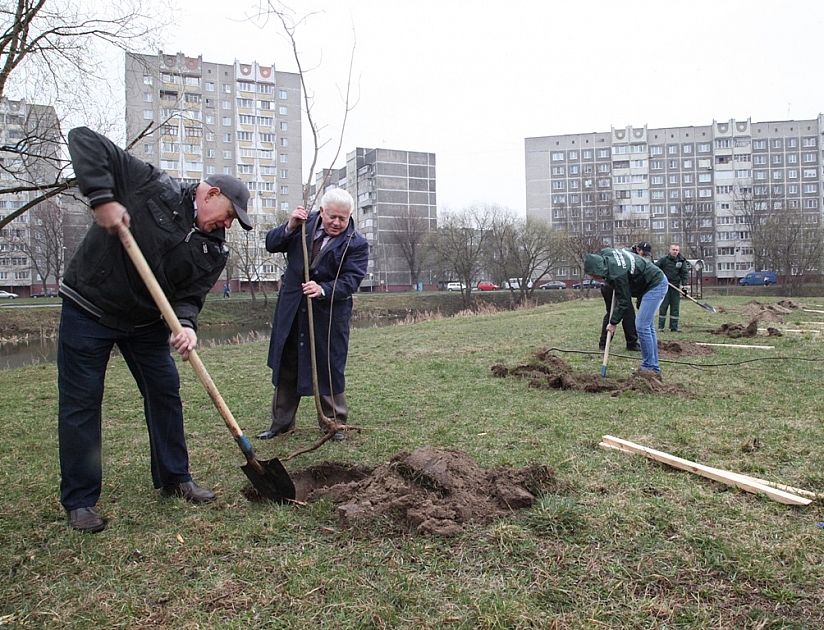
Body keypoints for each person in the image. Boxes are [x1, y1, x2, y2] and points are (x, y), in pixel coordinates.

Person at [58, 126, 252, 533]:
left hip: (145, 321)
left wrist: (185, 325)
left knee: (165, 390)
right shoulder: (151, 185)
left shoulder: (214, 250)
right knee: (82, 402)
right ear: (210, 194)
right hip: (89, 305)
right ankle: (80, 501)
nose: (228, 226)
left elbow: (189, 296)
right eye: (229, 215)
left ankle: (174, 477)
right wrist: (103, 198)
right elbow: (84, 140)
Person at [256, 188, 369, 442]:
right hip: (292, 308)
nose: (337, 223)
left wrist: (323, 289)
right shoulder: (302, 227)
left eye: (343, 218)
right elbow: (272, 243)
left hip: (328, 314)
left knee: (329, 366)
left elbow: (352, 280)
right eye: (332, 217)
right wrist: (289, 225)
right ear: (322, 211)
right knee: (288, 363)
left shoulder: (356, 243)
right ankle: (281, 424)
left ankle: (334, 425)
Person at [584, 246, 668, 377]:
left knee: (642, 325)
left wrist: (612, 323)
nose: (595, 279)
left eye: (594, 276)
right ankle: (652, 366)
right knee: (647, 325)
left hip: (655, 284)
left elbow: (624, 302)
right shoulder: (607, 253)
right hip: (651, 280)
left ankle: (649, 368)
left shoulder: (618, 275)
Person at [598, 242, 651, 352]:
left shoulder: (639, 259)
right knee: (613, 313)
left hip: (622, 287)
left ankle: (631, 343)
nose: (644, 256)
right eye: (643, 253)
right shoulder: (626, 254)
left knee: (629, 315)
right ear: (637, 249)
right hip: (611, 286)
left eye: (646, 255)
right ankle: (604, 342)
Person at [655, 244, 690, 332]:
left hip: (675, 287)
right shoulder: (663, 259)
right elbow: (655, 268)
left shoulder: (681, 261)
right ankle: (661, 327)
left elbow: (684, 273)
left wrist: (684, 286)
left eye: (676, 250)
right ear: (670, 250)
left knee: (675, 307)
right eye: (673, 249)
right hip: (664, 286)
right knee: (663, 306)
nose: (675, 251)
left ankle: (674, 327)